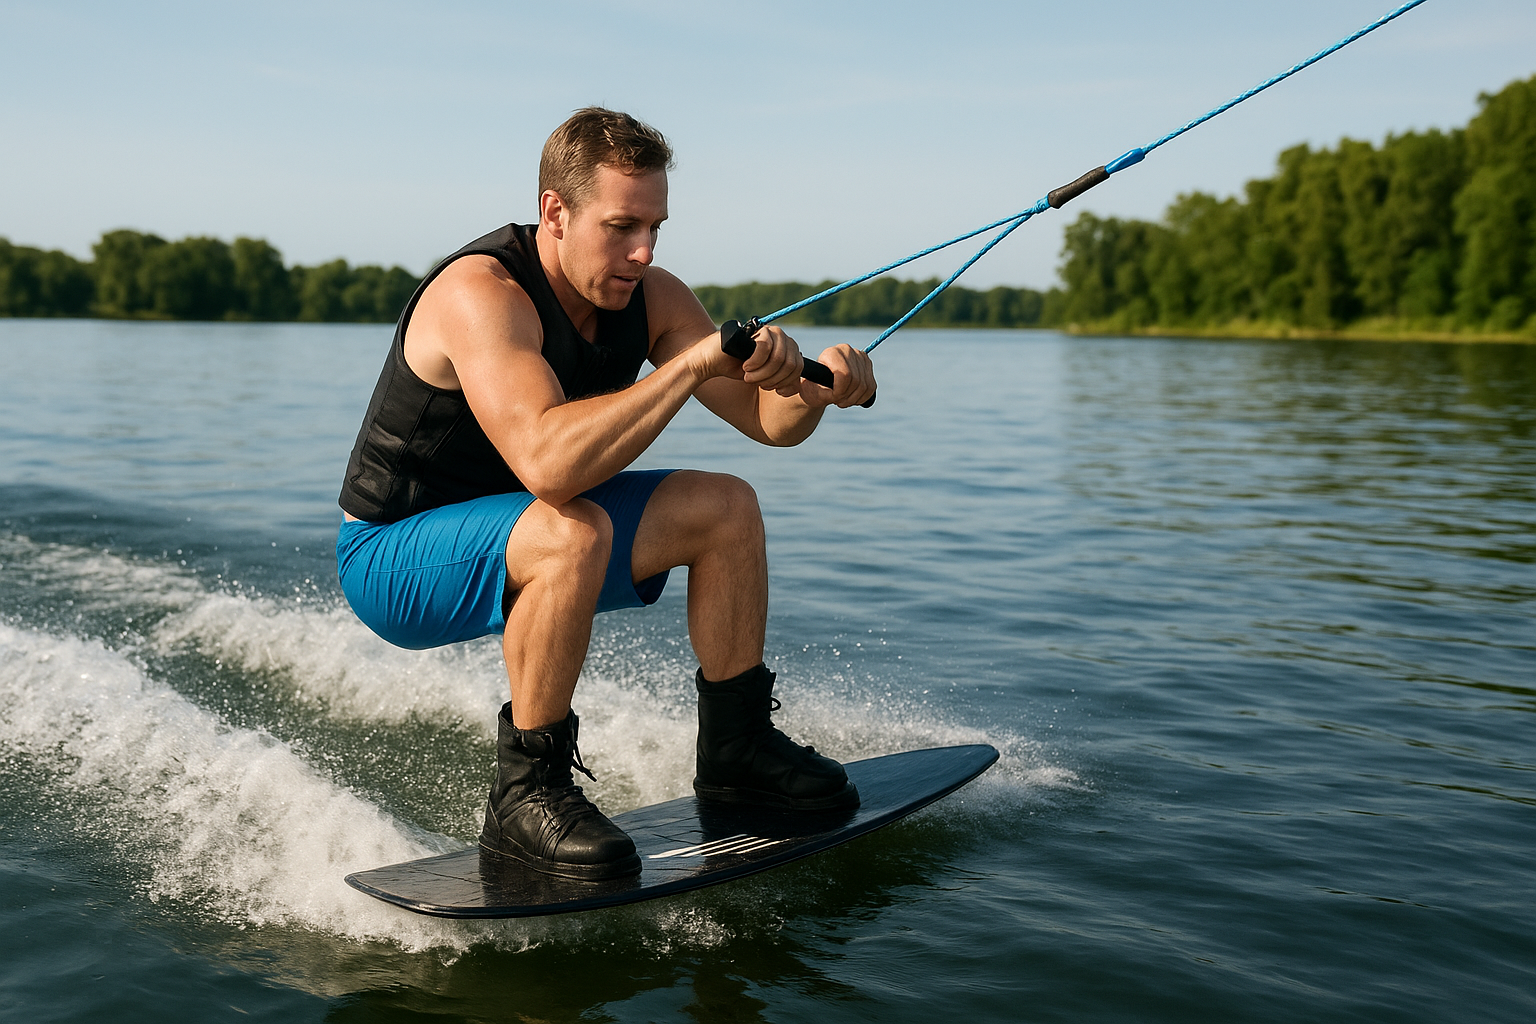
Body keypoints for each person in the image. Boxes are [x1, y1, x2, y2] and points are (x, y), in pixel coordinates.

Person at [335, 107, 877, 881]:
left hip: (528, 525)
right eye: (622, 227)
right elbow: (551, 470)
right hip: (393, 555)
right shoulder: (481, 293)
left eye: (656, 227)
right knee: (574, 527)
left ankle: (737, 752)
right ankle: (526, 794)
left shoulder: (651, 295)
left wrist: (821, 389)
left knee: (726, 507)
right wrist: (688, 368)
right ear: (555, 212)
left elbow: (767, 421)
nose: (644, 251)